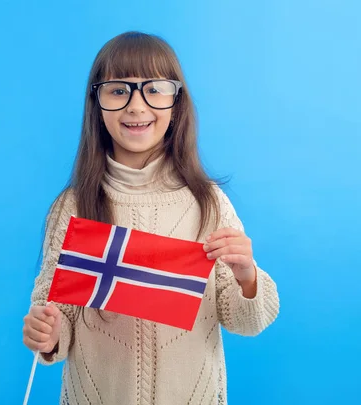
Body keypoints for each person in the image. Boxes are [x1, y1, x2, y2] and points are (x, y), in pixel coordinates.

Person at [22, 31, 280, 405]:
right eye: (118, 90)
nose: (137, 106)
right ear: (96, 103)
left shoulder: (208, 203)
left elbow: (246, 320)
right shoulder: (73, 207)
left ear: (177, 102)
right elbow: (55, 315)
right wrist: (48, 335)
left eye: (155, 89)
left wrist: (248, 277)